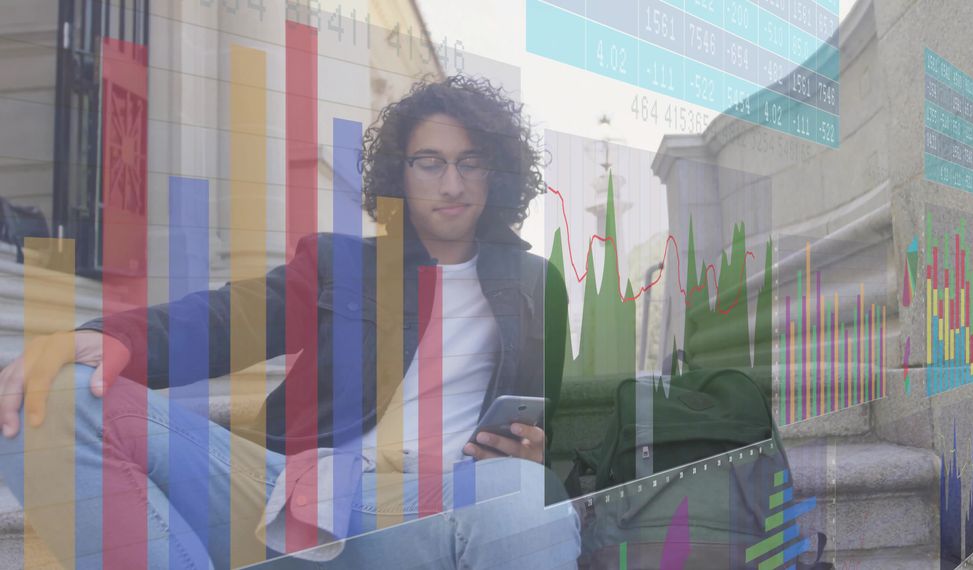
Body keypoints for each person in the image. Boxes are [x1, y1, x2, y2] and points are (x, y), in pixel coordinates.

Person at [0, 75, 579, 568]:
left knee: (523, 490)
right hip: (290, 490)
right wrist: (109, 336)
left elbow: (540, 422)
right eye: (430, 162)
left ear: (494, 175)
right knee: (49, 391)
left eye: (469, 163)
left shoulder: (534, 284)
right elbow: (228, 318)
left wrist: (529, 453)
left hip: (431, 504)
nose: (451, 184)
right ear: (399, 174)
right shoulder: (342, 264)